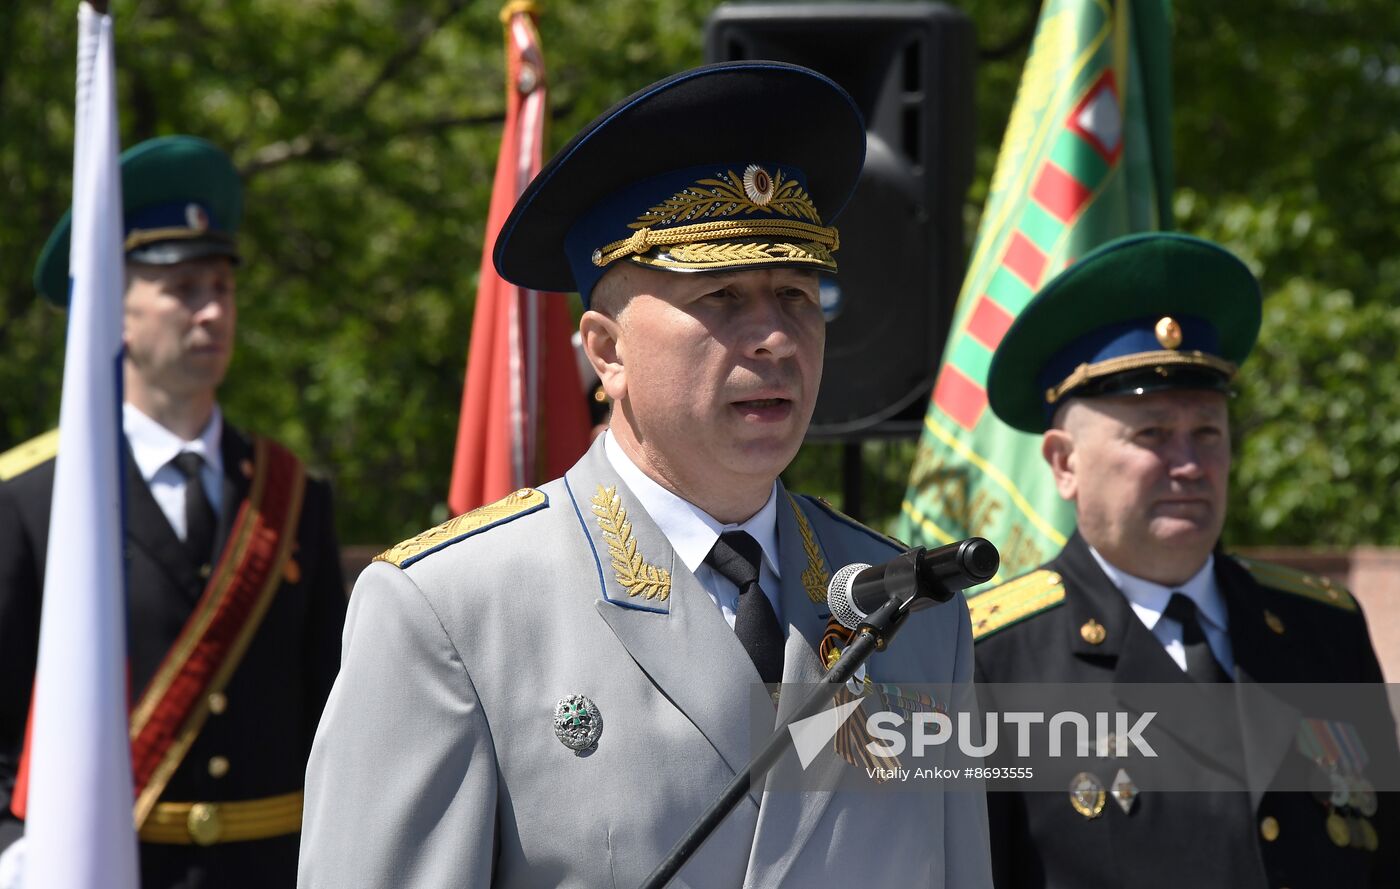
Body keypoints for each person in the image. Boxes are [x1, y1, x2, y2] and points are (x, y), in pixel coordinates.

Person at [298, 62, 992, 888]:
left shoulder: (916, 612)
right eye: (724, 297)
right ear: (606, 351)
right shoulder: (452, 611)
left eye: (799, 296)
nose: (775, 338)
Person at [970, 232, 1397, 887]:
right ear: (1064, 462)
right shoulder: (990, 659)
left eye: (1207, 432)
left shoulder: (1323, 628)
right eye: (1152, 435)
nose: (1190, 464)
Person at [0, 135, 347, 888]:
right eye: (182, 287)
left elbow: (331, 710)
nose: (212, 310)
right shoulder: (32, 499)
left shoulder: (293, 495)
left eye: (222, 286)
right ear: (113, 314)